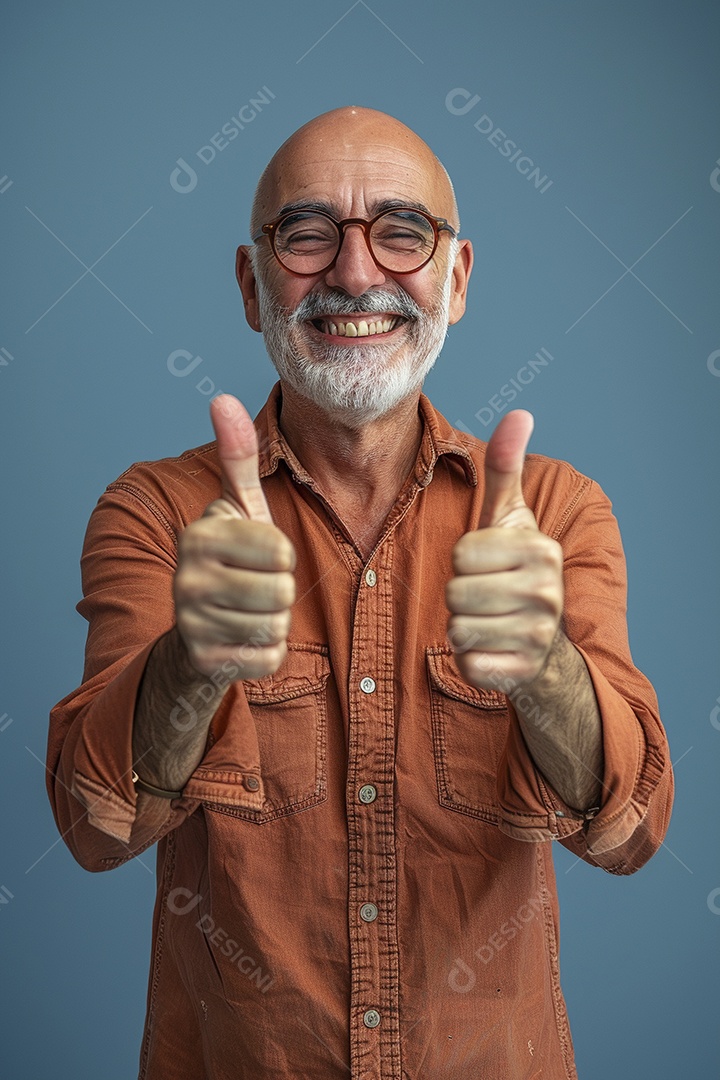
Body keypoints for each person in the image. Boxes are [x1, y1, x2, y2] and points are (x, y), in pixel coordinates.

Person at [47, 106, 673, 1079]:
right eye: (307, 234)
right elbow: (97, 827)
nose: (352, 272)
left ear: (455, 278)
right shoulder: (157, 513)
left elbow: (631, 829)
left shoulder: (555, 511)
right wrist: (191, 663)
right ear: (251, 286)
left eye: (402, 232)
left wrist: (544, 666)